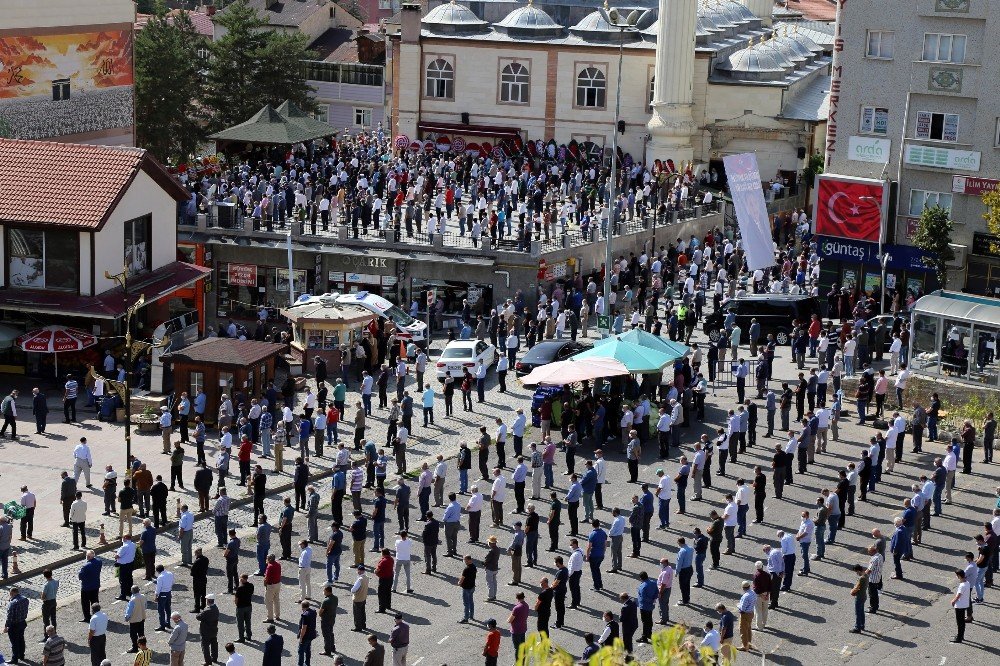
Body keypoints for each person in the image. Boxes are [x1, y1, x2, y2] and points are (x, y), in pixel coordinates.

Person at [5, 587, 28, 664]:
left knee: (14, 642)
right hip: (22, 622)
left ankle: (14, 659)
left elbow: (9, 617)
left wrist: (6, 626)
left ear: (11, 593)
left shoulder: (12, 603)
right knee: (21, 639)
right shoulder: (25, 599)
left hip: (14, 625)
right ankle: (21, 655)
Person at [197, 594, 220, 664]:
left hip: (206, 631)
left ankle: (208, 661)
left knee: (205, 647)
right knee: (214, 645)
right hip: (213, 630)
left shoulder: (207, 610)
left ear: (208, 601)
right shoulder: (216, 608)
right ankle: (214, 658)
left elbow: (198, 617)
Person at [950, 568, 971, 643]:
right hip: (964, 604)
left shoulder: (962, 585)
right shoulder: (967, 583)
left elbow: (958, 595)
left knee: (960, 622)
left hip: (960, 605)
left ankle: (959, 638)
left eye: (957, 575)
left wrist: (953, 601)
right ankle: (961, 635)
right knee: (962, 622)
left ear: (959, 576)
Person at [234, 574, 254, 642]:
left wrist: (237, 605)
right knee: (248, 621)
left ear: (242, 579)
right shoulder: (251, 585)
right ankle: (249, 636)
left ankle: (241, 638)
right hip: (248, 606)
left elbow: (236, 599)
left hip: (241, 608)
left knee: (240, 623)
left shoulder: (240, 588)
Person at [319, 585, 338, 656]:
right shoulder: (335, 598)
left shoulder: (326, 601)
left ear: (327, 591)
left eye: (324, 591)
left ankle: (327, 651)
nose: (323, 592)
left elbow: (320, 611)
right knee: (331, 633)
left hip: (325, 620)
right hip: (332, 618)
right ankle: (332, 647)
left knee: (326, 635)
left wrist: (321, 615)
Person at [298, 600, 318, 665]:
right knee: (307, 650)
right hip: (311, 634)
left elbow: (304, 628)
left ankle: (300, 664)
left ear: (302, 607)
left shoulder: (305, 615)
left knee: (301, 651)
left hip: (306, 636)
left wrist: (301, 637)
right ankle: (307, 663)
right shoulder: (313, 612)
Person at [458, 554, 477, 623]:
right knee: (471, 602)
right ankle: (471, 616)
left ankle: (466, 618)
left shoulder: (466, 569)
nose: (464, 561)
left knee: (466, 603)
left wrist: (459, 583)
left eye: (465, 560)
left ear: (468, 560)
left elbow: (462, 579)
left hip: (466, 588)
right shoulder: (474, 567)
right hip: (472, 586)